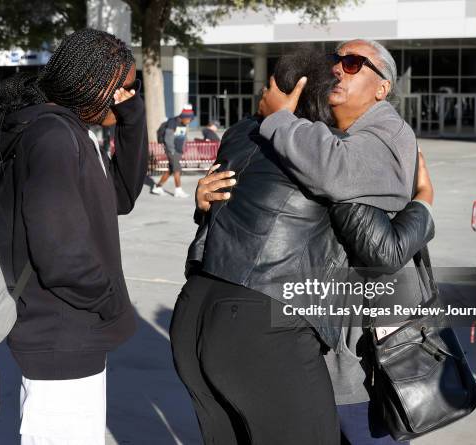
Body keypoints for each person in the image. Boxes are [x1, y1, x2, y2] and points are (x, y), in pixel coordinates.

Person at [171, 46, 435, 445]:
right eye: (336, 61)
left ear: (383, 88)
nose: (339, 69)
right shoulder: (320, 148)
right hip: (265, 324)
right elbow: (382, 248)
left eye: (352, 63)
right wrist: (425, 203)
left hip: (198, 313)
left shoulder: (248, 133)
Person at [0, 29, 147, 445]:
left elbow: (122, 197)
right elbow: (59, 252)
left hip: (71, 330)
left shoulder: (69, 131)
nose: (129, 95)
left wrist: (132, 121)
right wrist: (107, 298)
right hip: (62, 333)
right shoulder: (53, 136)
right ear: (95, 83)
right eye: (126, 87)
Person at [151, 104, 194, 198]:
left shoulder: (183, 123)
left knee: (171, 169)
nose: (189, 121)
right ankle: (178, 190)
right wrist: (172, 151)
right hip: (172, 150)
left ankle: (157, 187)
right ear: (183, 117)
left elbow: (182, 137)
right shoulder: (172, 122)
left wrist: (183, 149)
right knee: (177, 169)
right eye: (188, 119)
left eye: (190, 119)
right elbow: (168, 138)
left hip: (178, 150)